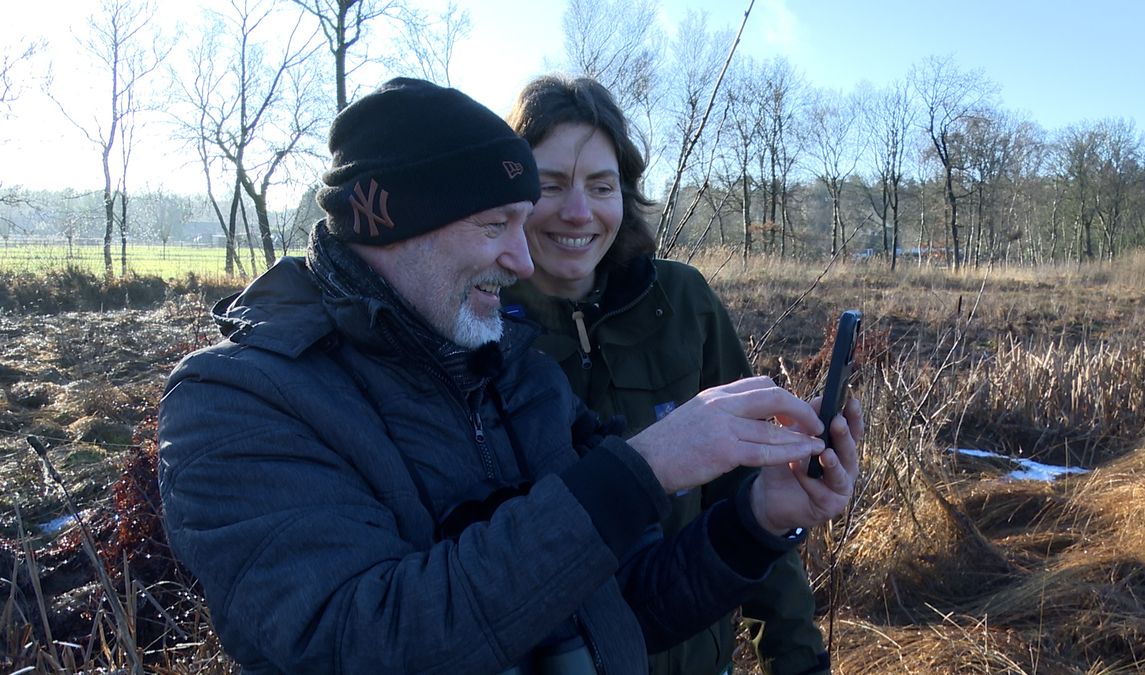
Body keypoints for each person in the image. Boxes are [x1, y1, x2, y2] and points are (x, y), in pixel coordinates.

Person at [156, 77, 862, 675]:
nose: (525, 261)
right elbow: (360, 638)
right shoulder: (235, 401)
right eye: (499, 225)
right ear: (396, 226)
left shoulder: (518, 375)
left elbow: (615, 605)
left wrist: (759, 518)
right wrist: (644, 466)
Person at [501, 75, 831, 675]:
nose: (579, 211)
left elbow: (751, 498)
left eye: (601, 185)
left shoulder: (684, 304)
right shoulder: (477, 326)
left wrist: (798, 661)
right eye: (550, 185)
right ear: (512, 193)